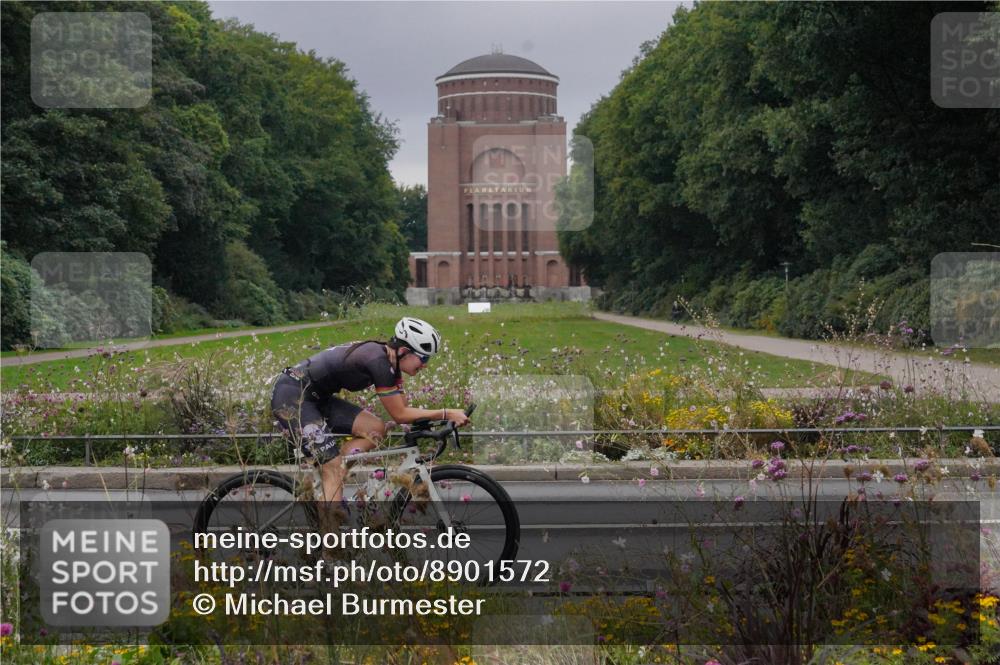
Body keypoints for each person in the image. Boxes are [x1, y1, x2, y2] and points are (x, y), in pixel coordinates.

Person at [270, 316, 469, 504]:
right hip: (292, 397)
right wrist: (446, 413)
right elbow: (399, 415)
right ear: (404, 351)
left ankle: (334, 481)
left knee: (375, 428)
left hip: (317, 398)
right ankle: (330, 534)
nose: (425, 366)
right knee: (332, 469)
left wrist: (433, 420)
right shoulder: (378, 362)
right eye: (424, 359)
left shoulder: (392, 364)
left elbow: (404, 409)